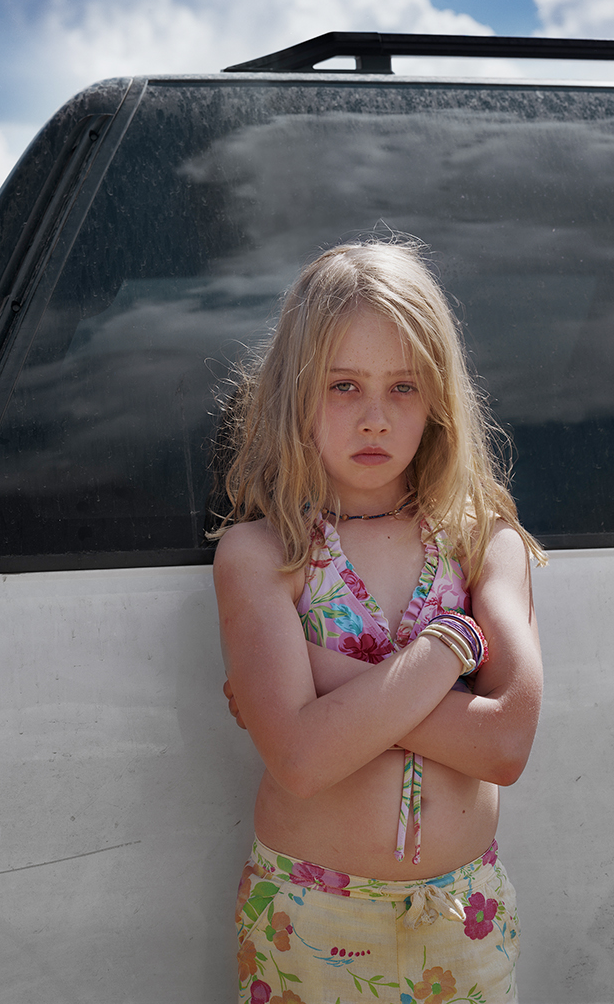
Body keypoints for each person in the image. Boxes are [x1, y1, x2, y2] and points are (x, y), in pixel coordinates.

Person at [211, 239, 546, 1004]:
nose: (374, 418)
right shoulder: (264, 555)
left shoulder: (481, 541)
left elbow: (506, 743)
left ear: (437, 400)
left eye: (402, 387)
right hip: (308, 919)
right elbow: (298, 761)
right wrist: (441, 653)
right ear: (298, 392)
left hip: (463, 920)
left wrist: (327, 681)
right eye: (343, 386)